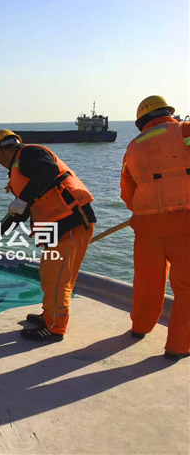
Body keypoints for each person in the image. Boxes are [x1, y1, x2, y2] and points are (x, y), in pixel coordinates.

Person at [0, 129, 96, 342]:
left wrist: (22, 200)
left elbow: (49, 170)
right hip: (56, 226)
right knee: (49, 274)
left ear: (1, 150)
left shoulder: (29, 154)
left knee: (56, 279)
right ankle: (49, 316)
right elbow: (23, 210)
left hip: (71, 221)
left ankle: (55, 328)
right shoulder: (20, 170)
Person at [121, 95, 190, 361]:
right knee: (186, 287)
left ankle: (140, 327)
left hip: (146, 225)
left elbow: (127, 188)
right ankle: (178, 346)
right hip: (185, 220)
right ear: (168, 113)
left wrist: (141, 212)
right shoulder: (185, 131)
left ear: (142, 122)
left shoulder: (133, 146)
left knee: (147, 281)